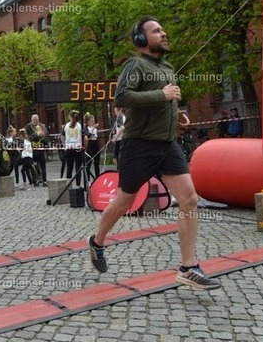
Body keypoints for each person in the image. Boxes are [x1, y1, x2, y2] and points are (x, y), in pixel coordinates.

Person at [88, 16, 221, 290]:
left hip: (167, 144)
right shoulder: (135, 65)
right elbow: (122, 98)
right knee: (124, 202)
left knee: (189, 199)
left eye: (162, 29)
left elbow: (163, 99)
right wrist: (162, 96)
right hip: (139, 145)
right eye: (157, 30)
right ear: (141, 39)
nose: (164, 33)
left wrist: (177, 114)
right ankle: (97, 241)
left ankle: (188, 267)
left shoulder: (167, 67)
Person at [25, 114, 50, 186]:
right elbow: (26, 137)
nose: (35, 121)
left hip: (41, 149)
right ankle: (35, 181)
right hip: (32, 150)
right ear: (31, 120)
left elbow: (47, 136)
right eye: (34, 120)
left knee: (43, 166)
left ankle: (44, 181)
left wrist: (43, 140)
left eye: (36, 120)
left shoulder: (42, 126)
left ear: (38, 120)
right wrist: (35, 135)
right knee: (32, 166)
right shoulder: (28, 127)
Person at [61, 110, 83, 188]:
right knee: (78, 168)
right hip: (78, 148)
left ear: (70, 117)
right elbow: (85, 137)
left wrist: (65, 145)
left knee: (69, 167)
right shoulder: (80, 125)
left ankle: (68, 185)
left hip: (69, 148)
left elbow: (62, 137)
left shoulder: (66, 126)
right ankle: (78, 185)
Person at [84, 113, 100, 178]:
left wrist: (94, 128)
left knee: (97, 163)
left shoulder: (95, 128)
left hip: (96, 143)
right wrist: (93, 128)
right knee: (89, 163)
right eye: (91, 121)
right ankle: (88, 180)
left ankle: (97, 177)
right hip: (90, 145)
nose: (93, 122)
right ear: (88, 121)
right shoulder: (86, 128)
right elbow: (88, 136)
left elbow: (96, 136)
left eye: (93, 121)